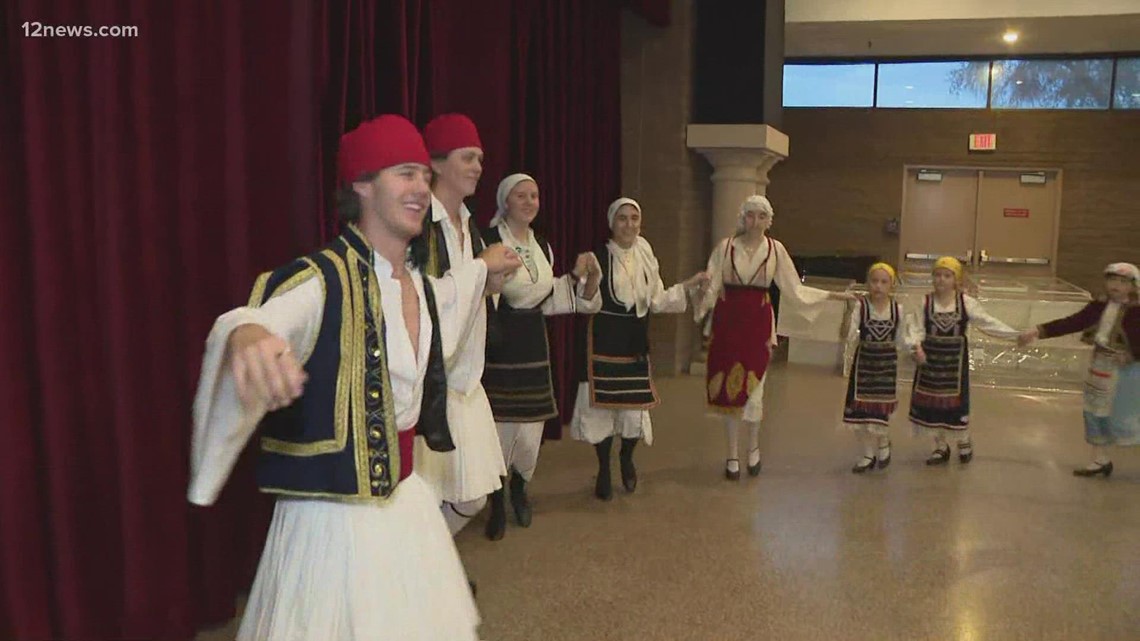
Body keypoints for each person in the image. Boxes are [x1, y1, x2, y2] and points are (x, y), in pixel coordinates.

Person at [187, 115, 521, 640]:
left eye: (422, 177)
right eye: (404, 174)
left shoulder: (421, 287)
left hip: (406, 503)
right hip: (331, 521)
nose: (419, 189)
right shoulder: (322, 278)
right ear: (362, 184)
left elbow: (456, 295)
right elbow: (255, 316)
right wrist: (247, 335)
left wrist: (486, 269)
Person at [694, 195, 851, 480]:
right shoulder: (725, 247)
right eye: (750, 215)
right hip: (728, 324)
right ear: (743, 218)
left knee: (755, 391)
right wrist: (700, 294)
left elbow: (794, 289)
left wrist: (833, 295)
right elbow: (712, 283)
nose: (755, 221)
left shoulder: (775, 250)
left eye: (761, 216)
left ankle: (753, 448)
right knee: (727, 393)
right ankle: (731, 454)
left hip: (758, 325)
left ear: (769, 220)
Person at [480, 173, 602, 539]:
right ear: (505, 201)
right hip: (500, 346)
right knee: (501, 428)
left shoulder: (543, 245)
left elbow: (547, 299)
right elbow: (481, 295)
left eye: (534, 195)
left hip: (534, 343)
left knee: (530, 431)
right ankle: (497, 499)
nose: (530, 201)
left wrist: (580, 279)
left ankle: (520, 486)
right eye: (521, 196)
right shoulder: (489, 242)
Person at [569, 197, 708, 500]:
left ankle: (626, 458)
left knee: (633, 411)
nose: (629, 224)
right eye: (622, 218)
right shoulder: (598, 257)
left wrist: (687, 285)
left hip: (634, 342)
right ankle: (604, 468)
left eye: (634, 218)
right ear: (611, 223)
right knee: (602, 409)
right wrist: (590, 279)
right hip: (603, 339)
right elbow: (585, 303)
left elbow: (656, 299)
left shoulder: (645, 254)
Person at [411, 113, 505, 536]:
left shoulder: (469, 225)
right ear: (437, 162)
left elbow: (465, 296)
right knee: (424, 495)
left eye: (481, 159)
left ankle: (434, 568)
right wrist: (481, 270)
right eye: (468, 157)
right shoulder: (417, 227)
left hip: (466, 383)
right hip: (430, 385)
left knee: (472, 496)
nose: (478, 167)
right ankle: (422, 581)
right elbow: (422, 301)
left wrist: (490, 284)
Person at [1019, 262, 1140, 477]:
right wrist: (1039, 331)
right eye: (1112, 280)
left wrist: (1133, 355)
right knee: (1095, 411)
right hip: (1100, 364)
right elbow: (1073, 322)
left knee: (1127, 415)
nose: (1116, 286)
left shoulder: (1137, 311)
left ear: (1133, 286)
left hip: (1128, 371)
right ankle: (1100, 459)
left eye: (1123, 282)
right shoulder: (1098, 306)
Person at [907, 256, 1020, 465]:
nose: (941, 280)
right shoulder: (925, 302)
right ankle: (940, 447)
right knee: (932, 405)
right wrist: (916, 347)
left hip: (954, 364)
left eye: (947, 276)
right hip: (929, 363)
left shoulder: (966, 303)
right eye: (937, 275)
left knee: (956, 404)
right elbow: (914, 328)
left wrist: (1015, 335)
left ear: (956, 279)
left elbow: (988, 323)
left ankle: (963, 439)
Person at [840, 262, 914, 473]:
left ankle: (883, 442)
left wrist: (914, 351)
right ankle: (867, 453)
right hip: (863, 366)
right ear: (867, 283)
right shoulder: (860, 307)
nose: (878, 286)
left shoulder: (897, 310)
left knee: (879, 413)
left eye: (884, 282)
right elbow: (848, 335)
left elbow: (901, 339)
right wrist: (846, 312)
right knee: (858, 414)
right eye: (874, 281)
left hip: (886, 368)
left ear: (891, 285)